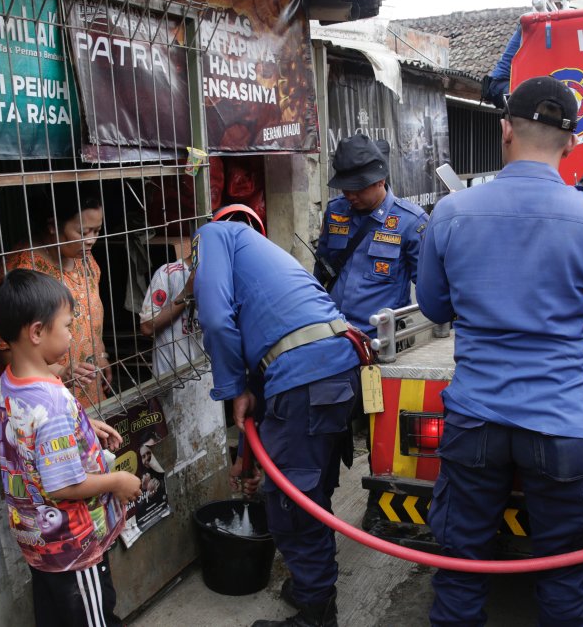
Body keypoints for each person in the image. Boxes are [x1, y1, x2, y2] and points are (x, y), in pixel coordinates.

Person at [416, 76, 583, 627]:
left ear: (504, 129)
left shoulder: (451, 214)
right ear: (571, 143)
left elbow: (436, 309)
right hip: (560, 425)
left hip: (474, 422)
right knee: (563, 571)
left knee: (461, 563)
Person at [193, 217, 361, 627]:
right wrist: (246, 461)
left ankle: (317, 613)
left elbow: (215, 322)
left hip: (306, 377)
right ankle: (311, 586)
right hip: (337, 364)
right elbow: (263, 398)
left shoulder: (212, 236)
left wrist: (231, 388)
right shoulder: (265, 278)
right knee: (309, 489)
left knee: (292, 504)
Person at [0, 268, 142, 627]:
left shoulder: (10, 383)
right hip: (74, 546)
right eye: (68, 326)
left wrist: (85, 425)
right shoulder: (53, 403)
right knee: (93, 617)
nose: (73, 336)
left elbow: (31, 437)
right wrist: (118, 481)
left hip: (37, 539)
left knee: (53, 614)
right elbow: (63, 485)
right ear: (37, 332)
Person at [0, 185, 111, 410]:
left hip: (82, 386)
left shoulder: (86, 261)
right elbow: (6, 351)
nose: (92, 240)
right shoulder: (21, 272)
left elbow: (92, 317)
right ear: (53, 226)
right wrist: (60, 372)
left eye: (97, 231)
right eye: (83, 232)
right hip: (38, 398)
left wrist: (100, 354)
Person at [314, 133, 428, 337]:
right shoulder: (335, 211)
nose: (350, 195)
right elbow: (322, 269)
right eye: (345, 188)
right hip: (334, 333)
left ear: (380, 180)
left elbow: (430, 287)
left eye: (357, 188)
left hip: (381, 342)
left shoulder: (412, 222)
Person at [138, 237, 202, 377]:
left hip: (208, 378)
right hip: (171, 377)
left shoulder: (223, 275)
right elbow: (147, 326)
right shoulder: (168, 274)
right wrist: (187, 292)